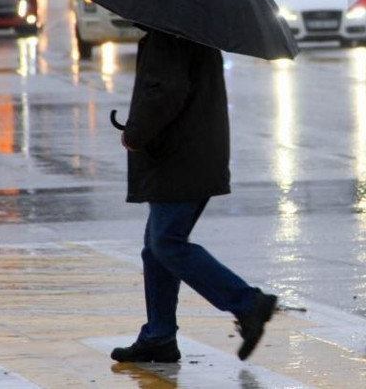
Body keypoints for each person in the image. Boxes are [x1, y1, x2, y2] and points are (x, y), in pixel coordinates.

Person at [111, 27, 277, 364]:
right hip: (190, 155)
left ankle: (248, 303)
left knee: (166, 243)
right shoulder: (188, 30)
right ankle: (159, 336)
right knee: (155, 249)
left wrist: (136, 133)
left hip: (180, 159)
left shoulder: (168, 35)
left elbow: (165, 92)